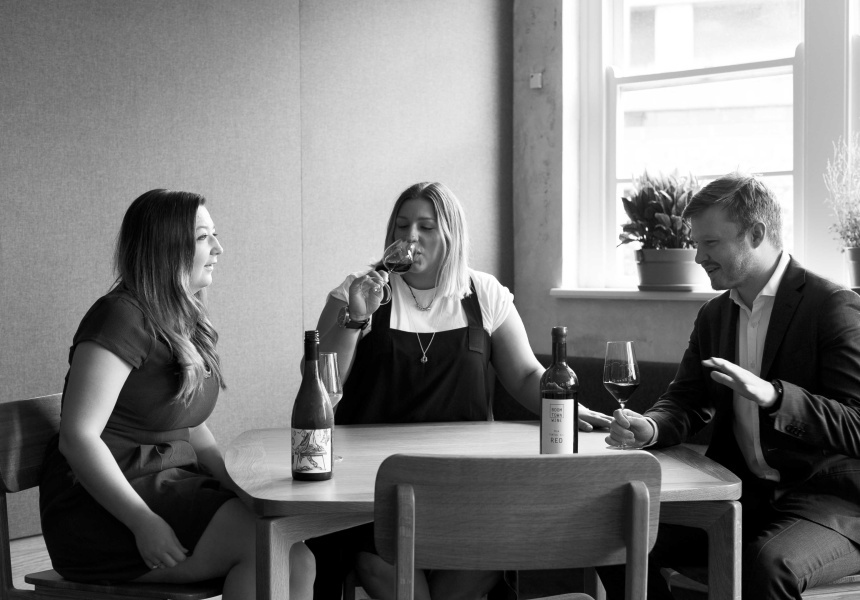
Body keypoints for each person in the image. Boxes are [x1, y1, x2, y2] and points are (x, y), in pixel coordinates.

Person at [309, 181, 611, 600]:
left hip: (466, 480)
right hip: (375, 482)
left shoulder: (483, 293)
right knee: (381, 563)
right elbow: (322, 383)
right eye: (401, 225)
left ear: (451, 234)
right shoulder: (357, 291)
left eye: (426, 227)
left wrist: (564, 408)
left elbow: (526, 374)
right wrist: (356, 319)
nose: (410, 237)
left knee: (484, 560)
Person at [39, 189, 315, 600]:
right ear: (166, 248)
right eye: (203, 237)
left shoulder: (183, 318)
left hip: (168, 482)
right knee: (269, 550)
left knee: (296, 553)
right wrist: (141, 521)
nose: (218, 248)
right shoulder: (120, 317)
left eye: (214, 235)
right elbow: (78, 437)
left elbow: (192, 424)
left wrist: (236, 482)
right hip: (105, 505)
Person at [606, 173, 860, 599]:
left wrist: (775, 396)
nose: (698, 256)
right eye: (696, 243)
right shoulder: (714, 314)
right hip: (744, 496)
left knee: (765, 564)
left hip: (827, 503)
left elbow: (856, 424)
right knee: (617, 536)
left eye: (710, 243)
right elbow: (685, 400)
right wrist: (649, 426)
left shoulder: (832, 306)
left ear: (756, 234)